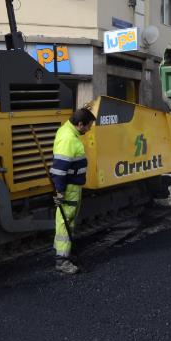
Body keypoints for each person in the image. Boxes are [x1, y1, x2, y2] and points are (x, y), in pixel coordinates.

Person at [51, 107, 96, 275]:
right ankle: (62, 260)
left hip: (72, 186)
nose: (90, 129)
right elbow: (59, 169)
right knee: (65, 221)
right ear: (80, 124)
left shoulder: (67, 132)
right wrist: (60, 191)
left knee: (68, 220)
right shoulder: (69, 139)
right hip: (69, 188)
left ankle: (65, 253)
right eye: (89, 126)